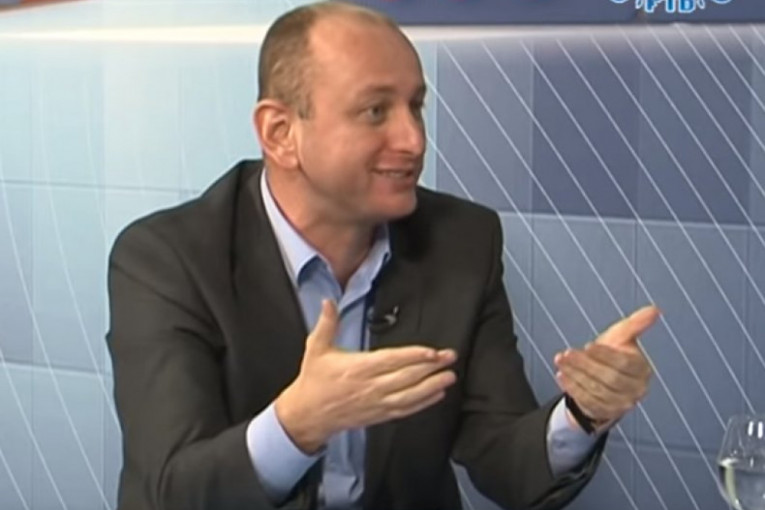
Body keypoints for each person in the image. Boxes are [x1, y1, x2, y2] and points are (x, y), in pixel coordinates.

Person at [106, 2, 659, 509]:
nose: (413, 139)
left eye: (415, 106)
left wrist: (583, 413)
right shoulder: (166, 260)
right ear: (280, 133)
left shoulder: (462, 242)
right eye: (375, 111)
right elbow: (172, 491)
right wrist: (296, 426)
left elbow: (502, 460)